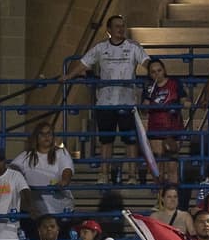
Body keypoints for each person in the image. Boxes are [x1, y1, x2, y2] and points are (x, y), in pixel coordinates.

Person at [58, 15, 149, 184]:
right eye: (117, 26)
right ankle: (104, 174)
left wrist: (157, 74)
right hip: (105, 103)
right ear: (109, 30)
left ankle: (132, 176)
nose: (120, 29)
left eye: (122, 26)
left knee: (130, 141)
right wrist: (68, 76)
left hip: (127, 101)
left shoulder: (133, 47)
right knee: (106, 140)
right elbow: (84, 64)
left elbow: (148, 63)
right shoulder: (100, 47)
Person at [10, 122, 74, 219]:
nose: (46, 136)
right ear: (36, 137)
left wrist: (63, 182)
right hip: (35, 212)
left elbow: (67, 170)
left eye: (49, 133)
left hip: (59, 209)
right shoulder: (26, 155)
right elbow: (13, 169)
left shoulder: (61, 152)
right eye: (42, 134)